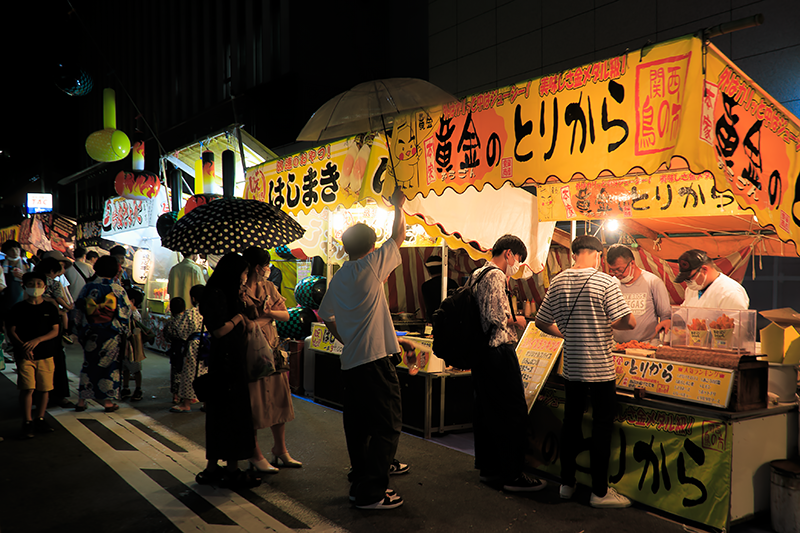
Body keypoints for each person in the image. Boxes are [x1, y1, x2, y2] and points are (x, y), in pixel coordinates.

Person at [318, 186, 415, 510]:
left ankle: (360, 481)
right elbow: (398, 236)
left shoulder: (342, 276)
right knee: (388, 425)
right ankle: (371, 492)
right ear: (371, 247)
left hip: (351, 363)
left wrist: (345, 336)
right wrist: (398, 205)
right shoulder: (371, 266)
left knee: (358, 427)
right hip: (375, 362)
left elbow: (325, 314)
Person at [535, 235, 636, 509]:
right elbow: (624, 320)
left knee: (571, 424)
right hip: (601, 369)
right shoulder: (606, 281)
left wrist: (566, 333)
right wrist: (628, 322)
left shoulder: (557, 281)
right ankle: (600, 492)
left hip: (573, 368)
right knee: (602, 427)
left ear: (574, 254)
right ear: (599, 255)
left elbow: (541, 321)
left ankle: (567, 485)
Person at [468, 234, 546, 493]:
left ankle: (490, 470)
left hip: (480, 353)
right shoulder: (495, 276)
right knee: (512, 411)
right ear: (509, 253)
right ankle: (512, 474)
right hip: (497, 351)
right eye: (519, 260)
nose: (518, 265)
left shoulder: (476, 274)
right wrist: (517, 322)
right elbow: (493, 316)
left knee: (488, 412)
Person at [196, 252, 260, 489]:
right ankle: (217, 468)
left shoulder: (230, 292)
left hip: (234, 362)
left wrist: (244, 300)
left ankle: (226, 467)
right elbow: (218, 330)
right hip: (224, 364)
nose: (246, 277)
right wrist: (238, 319)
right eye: (244, 272)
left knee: (232, 415)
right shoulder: (215, 294)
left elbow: (252, 315)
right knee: (224, 414)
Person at [241, 246, 301, 474]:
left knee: (279, 398)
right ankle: (254, 453)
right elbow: (243, 322)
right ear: (258, 267)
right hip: (251, 351)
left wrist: (267, 313)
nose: (268, 269)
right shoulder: (240, 289)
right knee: (254, 402)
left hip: (273, 349)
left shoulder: (269, 286)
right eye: (266, 265)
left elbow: (286, 314)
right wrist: (264, 317)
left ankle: (280, 450)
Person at [74, 255, 133, 413]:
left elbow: (78, 310)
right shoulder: (117, 289)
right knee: (110, 366)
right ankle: (107, 402)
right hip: (111, 333)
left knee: (89, 364)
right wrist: (124, 330)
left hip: (90, 331)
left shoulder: (88, 287)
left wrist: (80, 330)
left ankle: (81, 400)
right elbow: (126, 313)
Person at [6, 272, 60, 438]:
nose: (35, 287)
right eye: (31, 284)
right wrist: (23, 346)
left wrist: (37, 340)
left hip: (45, 354)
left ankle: (40, 418)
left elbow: (55, 330)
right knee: (28, 388)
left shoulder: (50, 308)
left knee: (44, 388)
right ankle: (27, 420)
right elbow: (11, 330)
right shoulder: (18, 308)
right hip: (25, 355)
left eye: (38, 284)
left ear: (44, 287)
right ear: (24, 286)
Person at [655, 249, 750, 338]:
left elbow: (736, 332)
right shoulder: (692, 290)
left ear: (704, 270)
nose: (688, 282)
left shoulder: (730, 292)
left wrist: (697, 336)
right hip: (695, 349)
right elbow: (684, 312)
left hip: (720, 351)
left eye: (690, 278)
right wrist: (672, 322)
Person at [606, 244, 671, 345]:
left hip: (647, 344)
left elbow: (665, 316)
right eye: (613, 271)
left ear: (632, 263)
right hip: (618, 345)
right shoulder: (611, 284)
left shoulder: (653, 282)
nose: (617, 274)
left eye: (620, 270)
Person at [164, 286, 207, 413]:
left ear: (193, 298)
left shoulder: (192, 313)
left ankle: (186, 404)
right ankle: (206, 403)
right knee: (206, 373)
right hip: (209, 345)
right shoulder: (211, 310)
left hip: (194, 345)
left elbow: (180, 331)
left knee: (190, 373)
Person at [121, 287, 146, 402]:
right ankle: (126, 387)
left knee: (135, 367)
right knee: (126, 366)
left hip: (132, 344)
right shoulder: (132, 312)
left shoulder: (134, 314)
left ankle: (138, 388)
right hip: (128, 343)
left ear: (133, 300)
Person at [420, 255, 459, 322]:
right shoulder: (452, 283)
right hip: (452, 321)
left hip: (435, 321)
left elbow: (429, 308)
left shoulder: (426, 286)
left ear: (428, 270)